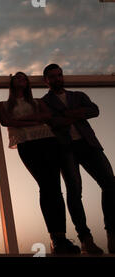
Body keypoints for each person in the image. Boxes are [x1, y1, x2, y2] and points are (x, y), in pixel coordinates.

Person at [0, 72, 90, 254]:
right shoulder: (3, 105)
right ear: (11, 83)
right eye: (17, 77)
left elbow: (46, 117)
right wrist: (33, 119)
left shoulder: (38, 102)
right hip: (26, 145)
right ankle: (56, 238)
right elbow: (6, 121)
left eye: (24, 78)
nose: (21, 80)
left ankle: (59, 238)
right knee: (45, 185)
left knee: (54, 187)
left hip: (48, 141)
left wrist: (21, 121)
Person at [41, 63, 115, 254]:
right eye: (52, 76)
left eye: (59, 75)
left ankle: (112, 234)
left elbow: (94, 110)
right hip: (65, 149)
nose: (57, 79)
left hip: (89, 145)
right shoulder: (45, 101)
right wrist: (77, 114)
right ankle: (85, 238)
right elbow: (53, 121)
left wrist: (68, 114)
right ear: (46, 80)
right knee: (74, 191)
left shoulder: (77, 95)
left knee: (110, 184)